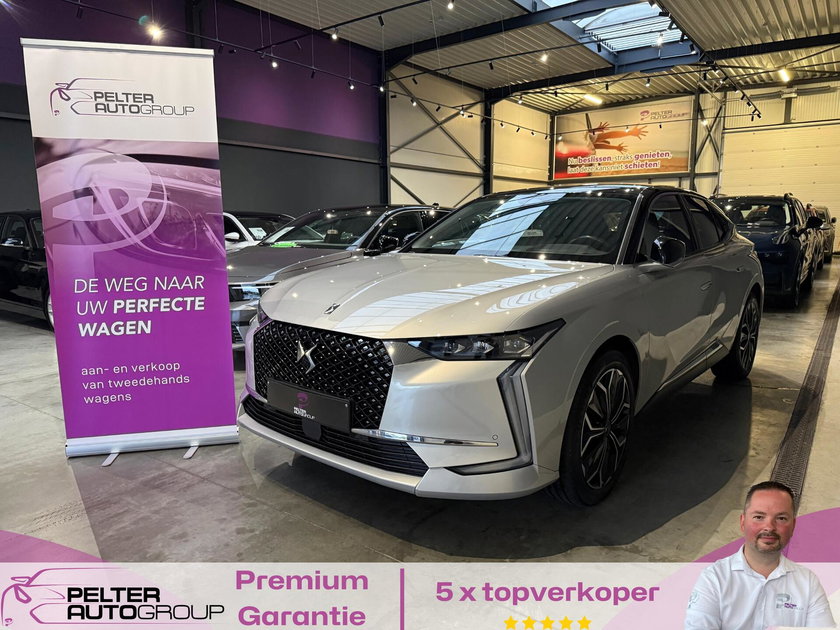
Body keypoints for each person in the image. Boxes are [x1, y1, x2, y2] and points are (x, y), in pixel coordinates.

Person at [685, 481, 836, 629]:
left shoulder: (807, 582)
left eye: (781, 518)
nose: (769, 527)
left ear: (793, 526)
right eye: (759, 517)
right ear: (743, 522)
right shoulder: (714, 577)